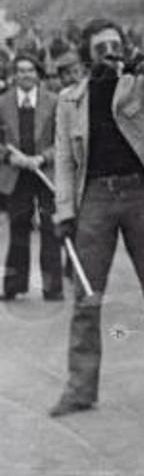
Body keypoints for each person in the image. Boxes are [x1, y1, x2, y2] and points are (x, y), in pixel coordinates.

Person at [49, 18, 144, 417]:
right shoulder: (69, 100)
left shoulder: (141, 85)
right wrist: (64, 210)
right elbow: (63, 159)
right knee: (86, 298)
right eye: (99, 48)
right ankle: (80, 389)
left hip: (140, 196)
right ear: (86, 54)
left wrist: (134, 57)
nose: (108, 53)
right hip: (94, 197)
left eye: (114, 45)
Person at [0, 54, 61, 301]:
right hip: (16, 174)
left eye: (30, 70)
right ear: (14, 74)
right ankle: (14, 286)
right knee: (18, 228)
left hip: (45, 173)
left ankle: (52, 287)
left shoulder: (54, 102)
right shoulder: (2, 103)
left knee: (50, 228)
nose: (25, 75)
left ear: (37, 73)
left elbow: (62, 139)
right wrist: (9, 157)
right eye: (20, 71)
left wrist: (43, 158)